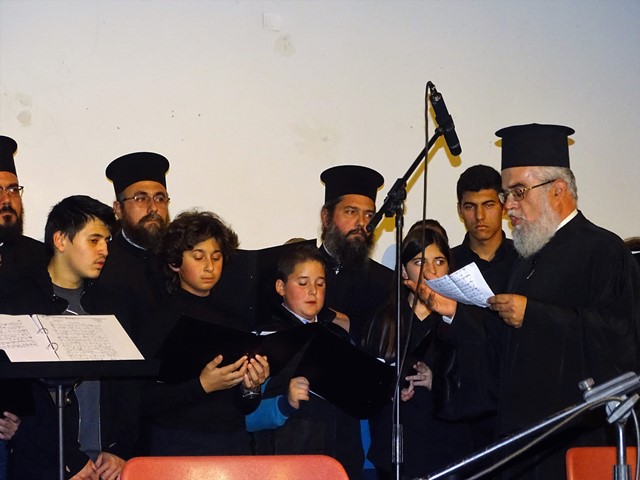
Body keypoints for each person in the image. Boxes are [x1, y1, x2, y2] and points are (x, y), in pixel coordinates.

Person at [428, 124, 640, 480]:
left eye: (518, 192)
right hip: (523, 440)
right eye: (506, 193)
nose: (508, 205)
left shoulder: (604, 251)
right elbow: (504, 348)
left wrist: (534, 316)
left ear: (558, 190)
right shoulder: (527, 258)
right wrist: (455, 313)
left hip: (576, 441)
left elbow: (622, 343)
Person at [2, 195, 136, 480]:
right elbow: (26, 397)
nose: (104, 250)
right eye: (94, 240)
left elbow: (129, 388)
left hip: (105, 466)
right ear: (61, 240)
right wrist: (70, 460)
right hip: (43, 465)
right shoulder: (19, 303)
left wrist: (120, 450)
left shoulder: (112, 305)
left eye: (107, 241)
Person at [137, 210, 269, 456]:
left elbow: (244, 405)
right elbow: (143, 398)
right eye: (198, 257)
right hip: (176, 443)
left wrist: (251, 386)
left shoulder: (234, 318)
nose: (209, 266)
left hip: (232, 441)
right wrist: (201, 385)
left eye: (216, 257)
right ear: (175, 263)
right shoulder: (159, 319)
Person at [362, 225, 473, 479]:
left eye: (439, 261)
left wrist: (437, 381)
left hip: (449, 448)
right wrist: (392, 386)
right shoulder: (386, 319)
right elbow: (366, 385)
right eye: (420, 262)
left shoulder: (463, 319)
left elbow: (480, 384)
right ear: (404, 271)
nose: (431, 271)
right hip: (396, 447)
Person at [247, 245, 364, 479]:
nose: (313, 291)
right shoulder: (266, 339)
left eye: (320, 284)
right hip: (285, 464)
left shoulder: (339, 337)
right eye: (303, 283)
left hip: (339, 462)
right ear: (281, 287)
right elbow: (248, 417)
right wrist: (286, 402)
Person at [318, 165, 393, 344]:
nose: (361, 223)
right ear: (326, 218)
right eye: (351, 212)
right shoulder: (300, 271)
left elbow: (384, 342)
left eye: (369, 215)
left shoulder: (385, 281)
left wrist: (347, 323)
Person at [99, 152, 171, 335]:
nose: (153, 208)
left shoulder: (179, 257)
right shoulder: (103, 262)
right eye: (141, 198)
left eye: (160, 198)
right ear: (118, 209)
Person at [452, 164, 517, 292]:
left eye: (488, 205)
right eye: (470, 207)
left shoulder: (524, 261)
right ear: (460, 210)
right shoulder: (448, 264)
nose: (479, 216)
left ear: (504, 206)